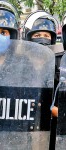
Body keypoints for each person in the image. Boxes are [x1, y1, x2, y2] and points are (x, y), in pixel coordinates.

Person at [22, 10, 59, 150]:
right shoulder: (19, 67)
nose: (42, 39)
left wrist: (49, 109)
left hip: (50, 132)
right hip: (23, 131)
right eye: (37, 35)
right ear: (29, 38)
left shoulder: (58, 69)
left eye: (46, 35)